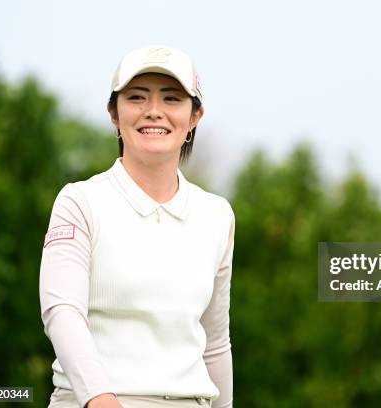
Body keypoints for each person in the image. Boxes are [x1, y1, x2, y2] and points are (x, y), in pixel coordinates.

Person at [39, 44, 235, 408]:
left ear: (195, 117)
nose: (154, 112)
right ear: (114, 113)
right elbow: (62, 312)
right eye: (137, 97)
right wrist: (100, 399)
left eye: (172, 99)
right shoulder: (79, 203)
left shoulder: (217, 215)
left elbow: (215, 343)